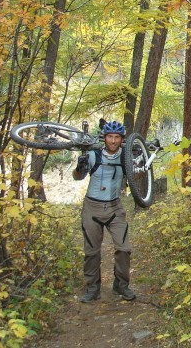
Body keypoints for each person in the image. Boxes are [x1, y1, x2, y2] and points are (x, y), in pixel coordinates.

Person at [73, 120, 135, 302]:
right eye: (110, 137)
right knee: (91, 251)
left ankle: (121, 285)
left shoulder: (126, 155)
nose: (113, 141)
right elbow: (78, 177)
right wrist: (80, 167)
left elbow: (139, 171)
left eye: (117, 137)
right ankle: (93, 288)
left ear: (122, 139)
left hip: (115, 207)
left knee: (124, 248)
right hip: (92, 207)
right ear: (104, 138)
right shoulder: (93, 155)